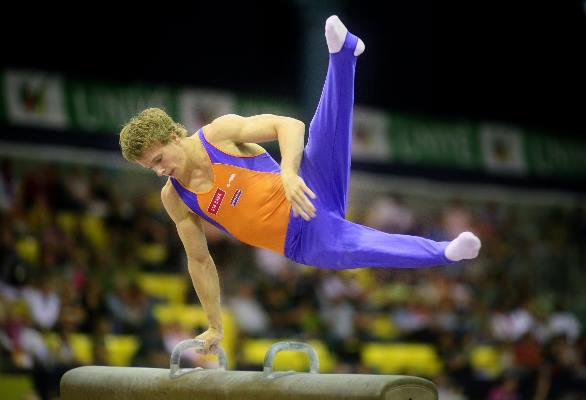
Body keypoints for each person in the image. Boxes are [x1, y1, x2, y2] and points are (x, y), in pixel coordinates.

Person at [118, 15, 481, 354]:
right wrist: (215, 326)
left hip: (306, 188)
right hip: (303, 239)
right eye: (149, 166)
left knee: (324, 140)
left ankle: (343, 54)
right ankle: (444, 252)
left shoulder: (218, 134)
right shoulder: (175, 198)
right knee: (361, 247)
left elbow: (288, 125)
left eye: (158, 159)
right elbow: (199, 261)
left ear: (174, 136)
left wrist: (289, 174)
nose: (158, 171)